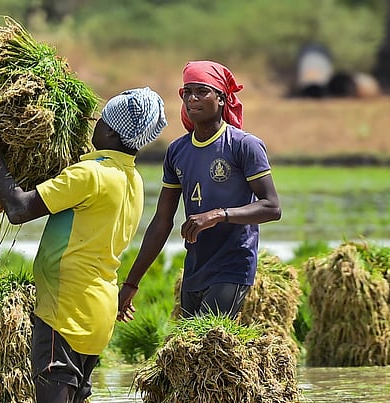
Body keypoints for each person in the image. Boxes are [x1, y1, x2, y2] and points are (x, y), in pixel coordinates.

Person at [0, 87, 168, 403]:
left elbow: (18, 208)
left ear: (113, 133)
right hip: (97, 309)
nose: (95, 126)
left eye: (102, 121)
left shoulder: (91, 174)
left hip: (66, 308)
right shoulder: (130, 179)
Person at [117, 61, 282, 322]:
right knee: (191, 354)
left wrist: (217, 215)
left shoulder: (244, 145)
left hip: (232, 265)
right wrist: (131, 283)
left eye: (202, 91)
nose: (192, 98)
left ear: (221, 98)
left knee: (206, 343)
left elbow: (272, 207)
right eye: (187, 92)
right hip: (194, 268)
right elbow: (161, 222)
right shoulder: (177, 151)